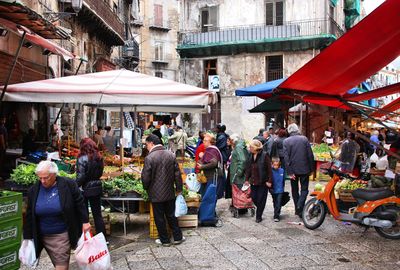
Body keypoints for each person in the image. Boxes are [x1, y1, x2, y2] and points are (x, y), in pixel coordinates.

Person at [23, 160, 90, 269]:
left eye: (46, 177)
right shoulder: (33, 190)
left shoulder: (68, 184)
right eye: (40, 178)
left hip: (60, 234)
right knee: (55, 263)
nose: (43, 181)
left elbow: (79, 203)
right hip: (41, 234)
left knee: (61, 265)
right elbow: (30, 214)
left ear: (54, 174)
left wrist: (85, 221)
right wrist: (27, 237)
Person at [141, 134, 185, 246]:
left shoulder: (149, 158)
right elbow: (177, 175)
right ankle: (177, 237)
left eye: (146, 145)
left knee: (159, 217)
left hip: (155, 193)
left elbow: (146, 177)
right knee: (171, 215)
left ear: (151, 143)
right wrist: (179, 189)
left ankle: (164, 240)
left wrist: (146, 187)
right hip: (169, 191)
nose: (146, 147)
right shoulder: (171, 155)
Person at [76, 138, 106, 238]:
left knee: (84, 216)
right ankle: (103, 238)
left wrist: (75, 185)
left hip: (85, 188)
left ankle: (86, 238)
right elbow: (101, 173)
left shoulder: (82, 158)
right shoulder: (99, 157)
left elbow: (81, 176)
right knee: (97, 215)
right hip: (97, 187)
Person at [283, 123, 314, 218]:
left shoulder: (286, 141)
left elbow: (286, 158)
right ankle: (300, 206)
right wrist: (311, 168)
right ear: (297, 130)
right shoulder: (304, 139)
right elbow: (310, 155)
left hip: (293, 170)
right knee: (304, 189)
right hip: (304, 168)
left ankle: (298, 208)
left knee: (294, 190)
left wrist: (289, 172)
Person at [246, 139, 272, 223]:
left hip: (263, 181)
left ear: (255, 147)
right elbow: (248, 168)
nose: (249, 148)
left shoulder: (265, 155)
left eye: (251, 147)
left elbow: (269, 169)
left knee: (261, 199)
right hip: (253, 181)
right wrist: (246, 179)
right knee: (254, 198)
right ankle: (260, 209)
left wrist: (269, 181)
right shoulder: (250, 155)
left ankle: (258, 216)